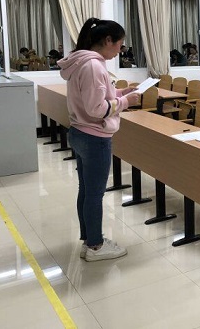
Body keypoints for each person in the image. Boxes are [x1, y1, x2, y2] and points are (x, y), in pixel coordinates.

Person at [57, 18, 140, 261]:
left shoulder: (80, 61)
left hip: (79, 132)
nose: (120, 50)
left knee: (87, 190)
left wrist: (122, 92)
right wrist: (125, 102)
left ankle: (88, 239)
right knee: (95, 194)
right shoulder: (93, 66)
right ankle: (95, 246)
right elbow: (96, 109)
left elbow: (97, 96)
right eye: (120, 45)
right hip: (94, 137)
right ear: (108, 40)